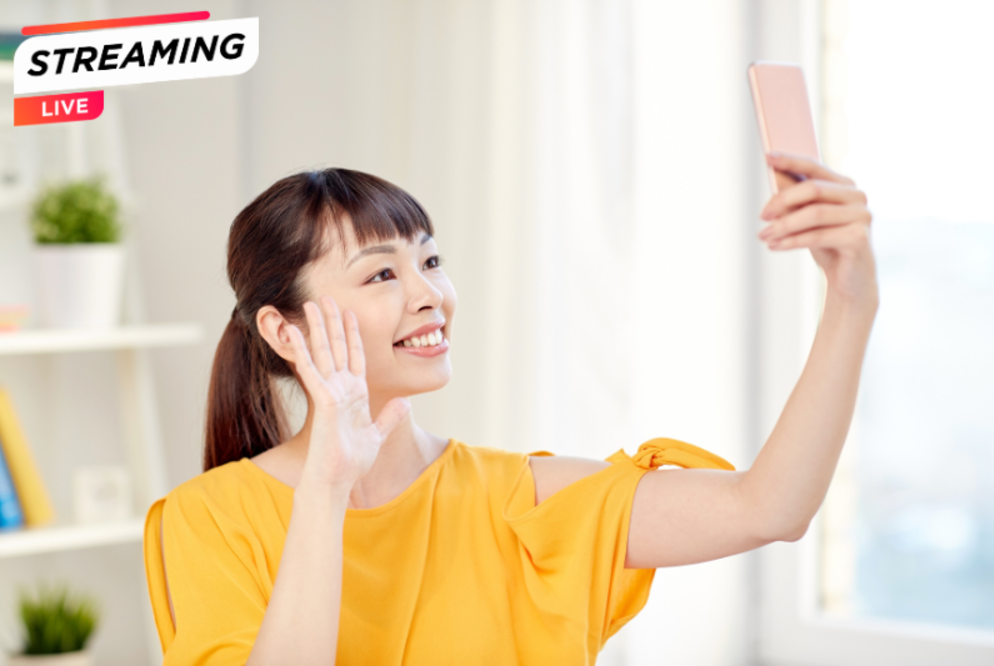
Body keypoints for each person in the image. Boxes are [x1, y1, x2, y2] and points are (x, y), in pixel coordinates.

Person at [143, 153, 876, 665]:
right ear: (284, 328)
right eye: (381, 275)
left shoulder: (519, 502)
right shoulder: (209, 520)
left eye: (429, 261)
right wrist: (328, 487)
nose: (429, 293)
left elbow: (768, 508)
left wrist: (852, 300)